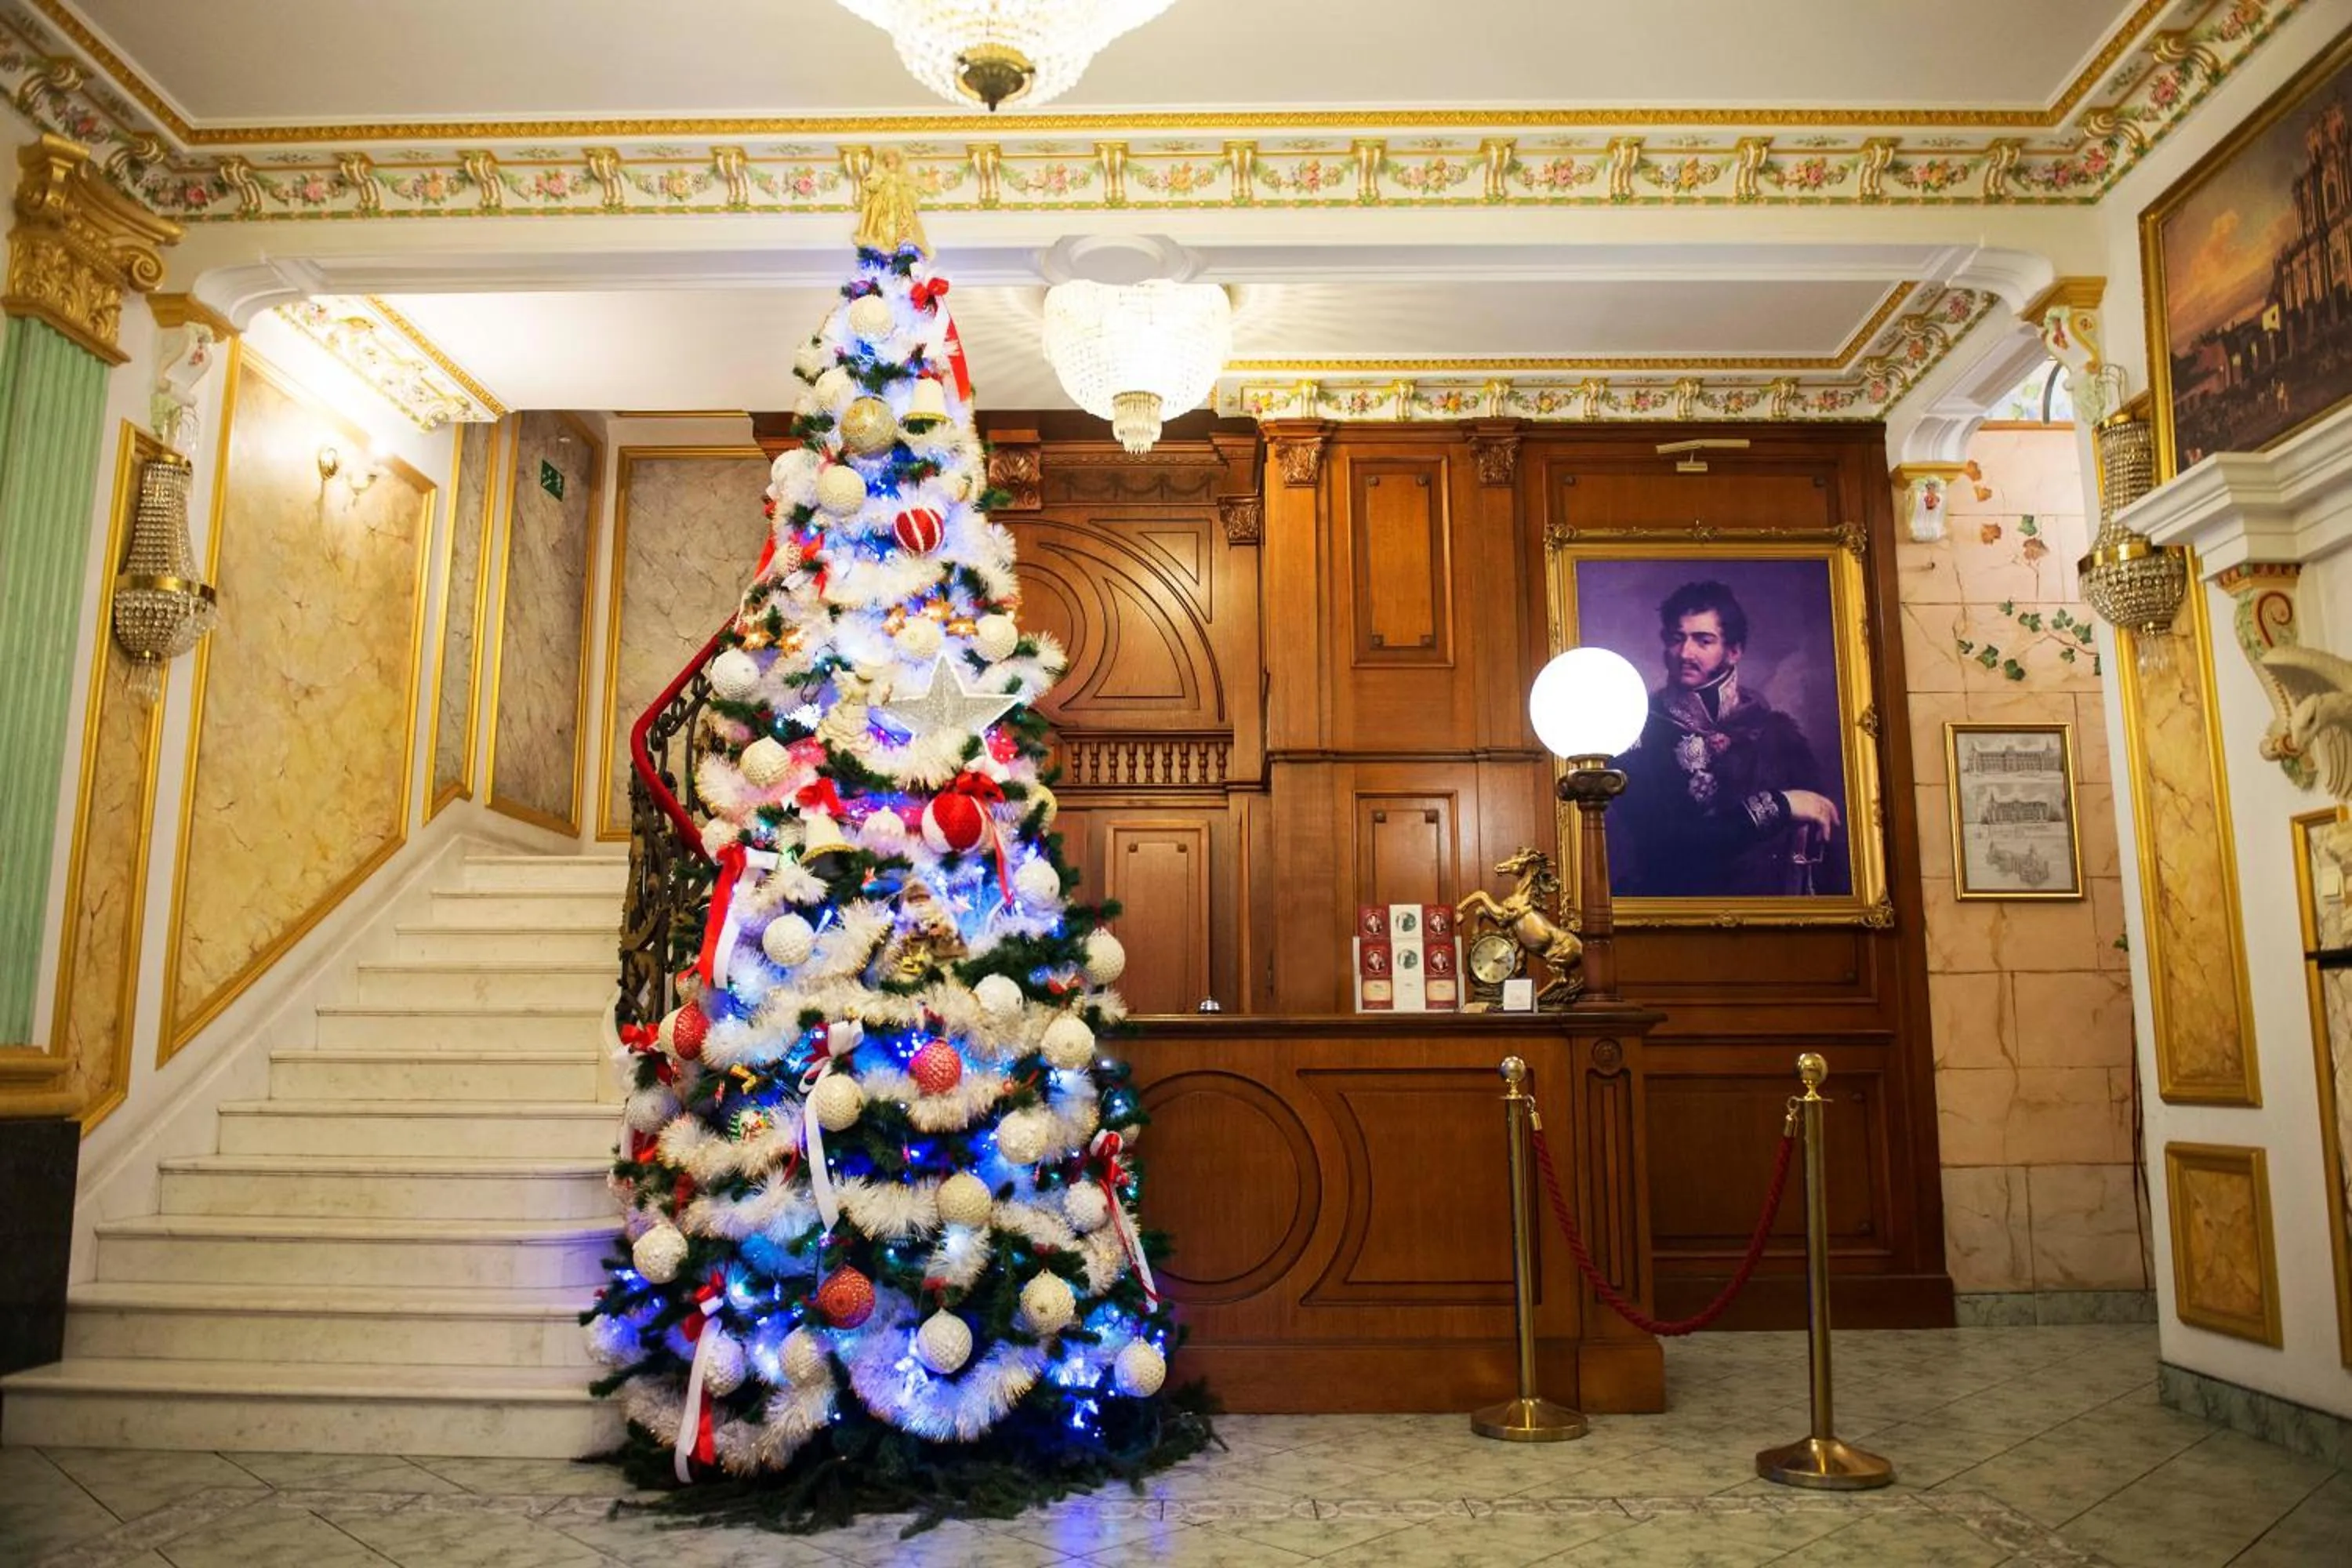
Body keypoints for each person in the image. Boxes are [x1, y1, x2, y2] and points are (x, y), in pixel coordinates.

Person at [1610, 579, 1847, 898]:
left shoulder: (1776, 734)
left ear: (1733, 652)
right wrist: (1781, 804)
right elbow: (1664, 843)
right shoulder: (1637, 731)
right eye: (1677, 639)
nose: (1685, 653)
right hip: (1672, 911)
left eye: (1703, 641)